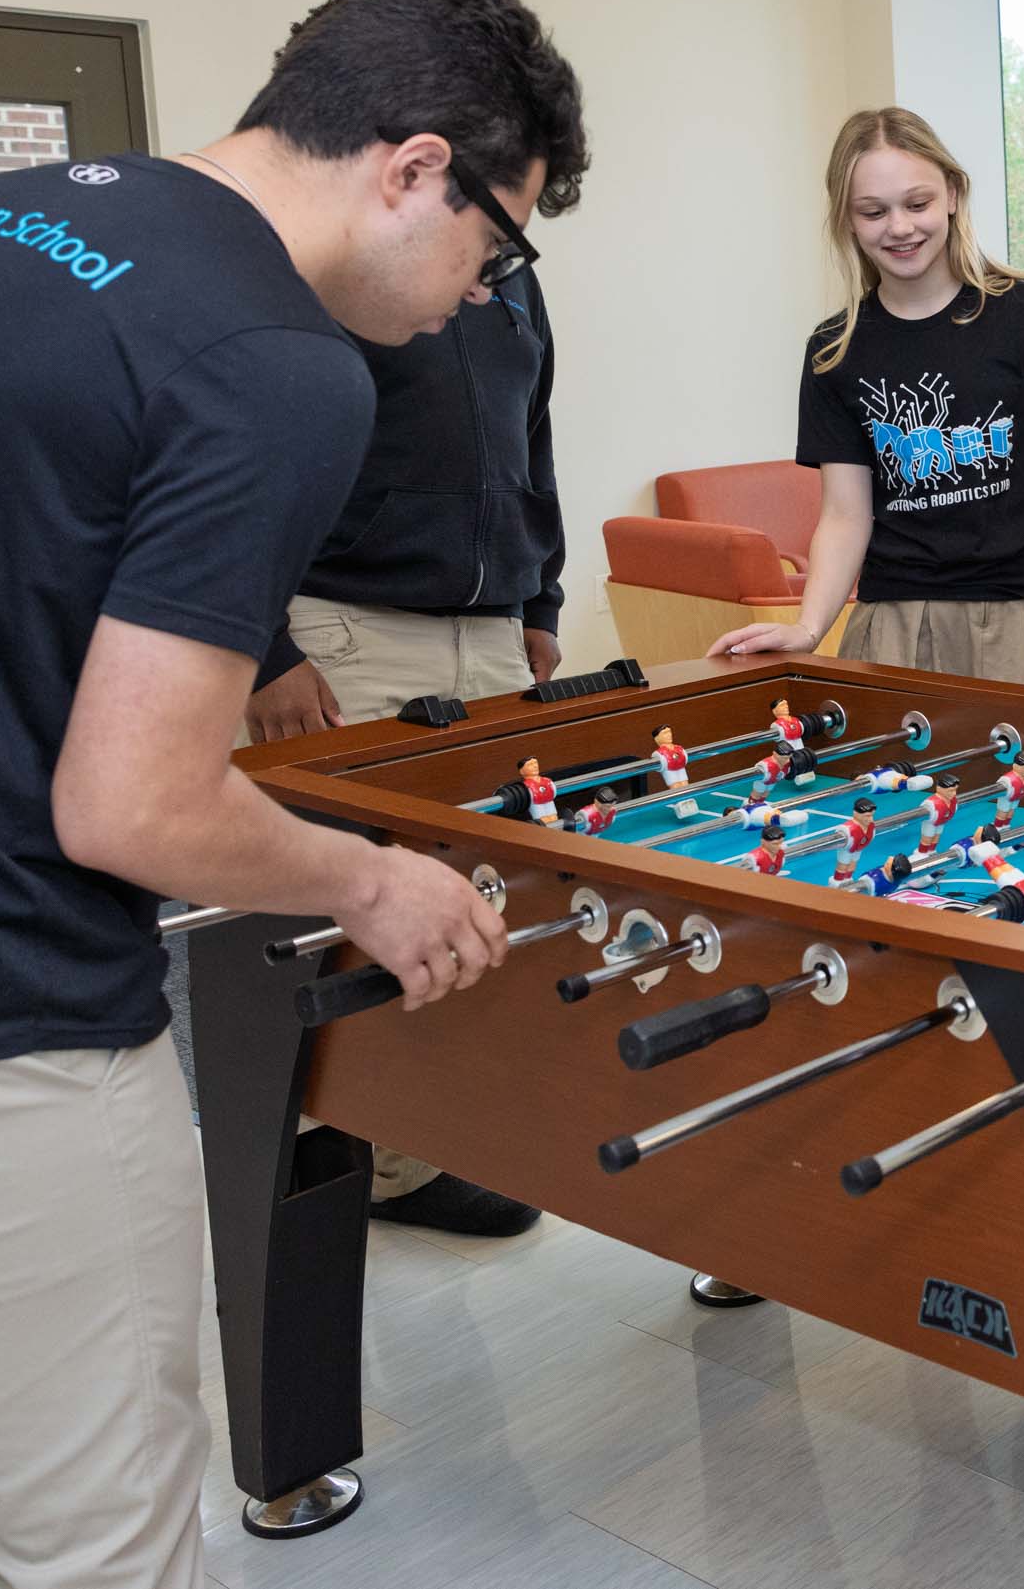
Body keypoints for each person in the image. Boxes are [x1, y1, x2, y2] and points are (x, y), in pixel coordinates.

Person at [0, 0, 587, 1589]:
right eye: (496, 244)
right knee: (99, 1559)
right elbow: (134, 803)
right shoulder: (279, 363)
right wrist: (379, 880)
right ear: (416, 167)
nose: (479, 294)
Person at [240, 70, 574, 1238]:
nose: (492, 263)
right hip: (346, 627)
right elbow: (256, 471)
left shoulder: (510, 289)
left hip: (489, 631)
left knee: (476, 895)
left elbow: (534, 443)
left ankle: (429, 1145)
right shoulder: (324, 278)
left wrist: (543, 594)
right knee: (344, 910)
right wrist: (265, 646)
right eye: (490, 230)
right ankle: (332, 1164)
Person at [711, 107, 1024, 695]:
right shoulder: (834, 348)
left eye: (917, 204)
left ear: (952, 193)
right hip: (891, 624)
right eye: (873, 212)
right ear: (848, 220)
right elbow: (845, 514)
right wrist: (809, 626)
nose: (899, 227)